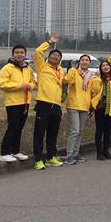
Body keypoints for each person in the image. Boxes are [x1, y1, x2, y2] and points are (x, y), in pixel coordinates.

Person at [0, 44, 36, 163]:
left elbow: (33, 82)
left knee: (19, 128)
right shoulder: (7, 68)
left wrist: (30, 86)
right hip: (13, 103)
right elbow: (2, 84)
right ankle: (4, 153)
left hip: (25, 102)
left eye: (21, 52)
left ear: (25, 54)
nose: (19, 54)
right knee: (12, 127)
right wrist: (20, 86)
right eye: (17, 52)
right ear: (13, 54)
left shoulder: (28, 68)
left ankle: (15, 151)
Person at [31, 37, 65, 170]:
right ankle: (38, 160)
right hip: (44, 104)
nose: (56, 57)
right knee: (39, 133)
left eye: (58, 56)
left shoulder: (60, 71)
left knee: (53, 133)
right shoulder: (42, 66)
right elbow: (38, 52)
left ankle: (51, 157)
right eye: (53, 55)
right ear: (49, 57)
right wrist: (49, 42)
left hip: (56, 106)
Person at [64, 53, 97, 165]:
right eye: (83, 60)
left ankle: (75, 153)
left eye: (87, 60)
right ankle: (69, 155)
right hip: (73, 105)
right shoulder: (74, 72)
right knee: (75, 131)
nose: (85, 62)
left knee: (80, 132)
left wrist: (91, 105)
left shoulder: (90, 76)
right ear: (79, 62)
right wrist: (72, 70)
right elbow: (68, 81)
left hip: (85, 106)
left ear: (89, 63)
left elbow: (92, 91)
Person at [91, 61, 111, 160]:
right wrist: (97, 78)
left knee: (108, 130)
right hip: (100, 107)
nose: (105, 67)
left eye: (107, 65)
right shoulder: (97, 79)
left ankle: (106, 151)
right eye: (103, 65)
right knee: (99, 130)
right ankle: (99, 152)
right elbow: (94, 90)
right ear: (100, 68)